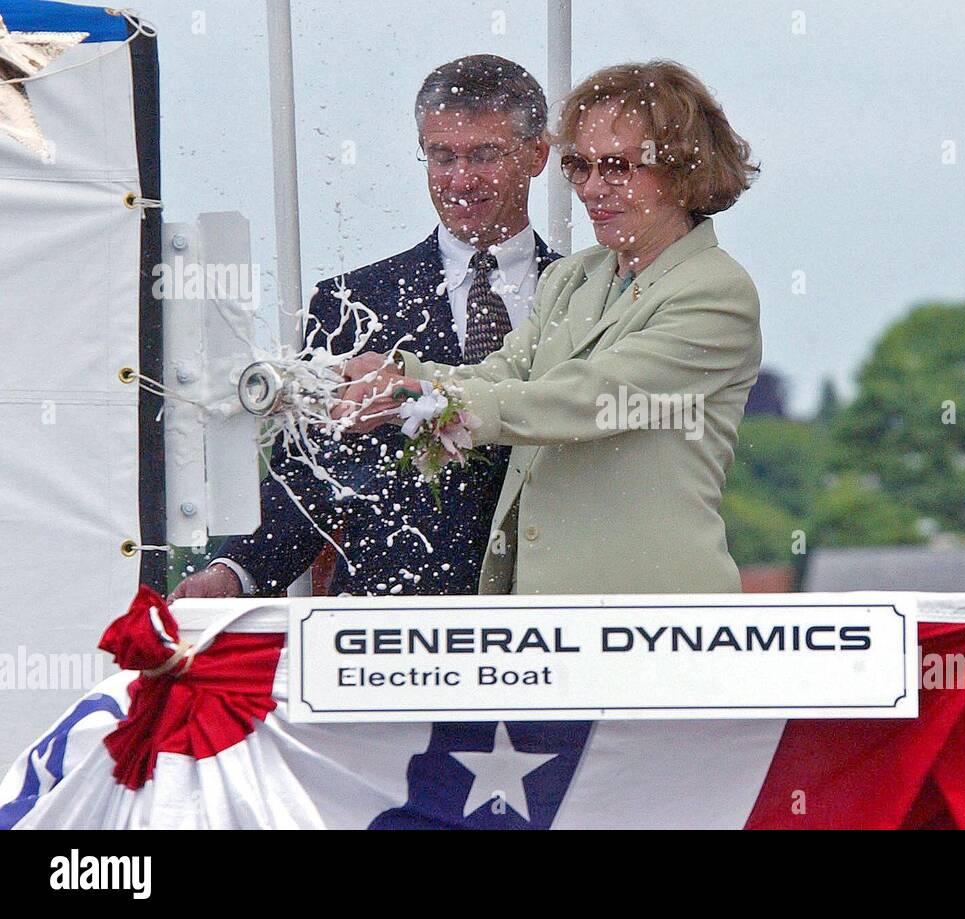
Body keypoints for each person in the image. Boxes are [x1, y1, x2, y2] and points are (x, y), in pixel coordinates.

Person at [337, 60, 762, 595]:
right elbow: (503, 372)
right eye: (578, 167)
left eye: (617, 167)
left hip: (655, 616)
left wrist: (425, 397)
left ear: (683, 170)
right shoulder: (573, 276)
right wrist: (394, 371)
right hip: (541, 617)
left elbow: (584, 399)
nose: (591, 188)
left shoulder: (716, 292)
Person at [171, 54, 560, 600]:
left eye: (485, 155)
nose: (461, 179)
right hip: (389, 633)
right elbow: (308, 476)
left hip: (552, 623)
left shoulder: (587, 298)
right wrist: (233, 573)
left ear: (538, 153)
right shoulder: (351, 304)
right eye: (442, 156)